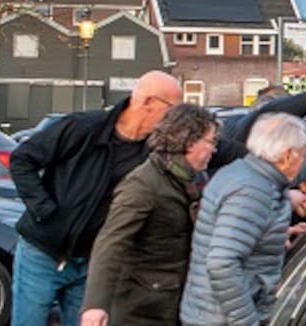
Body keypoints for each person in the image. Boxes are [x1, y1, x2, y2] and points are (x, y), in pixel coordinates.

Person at [10, 71, 183, 326]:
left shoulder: (154, 152)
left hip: (92, 264)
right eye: (173, 109)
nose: (176, 119)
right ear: (148, 102)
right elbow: (22, 159)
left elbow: (209, 147)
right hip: (43, 252)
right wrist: (44, 210)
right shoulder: (82, 128)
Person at [180, 113, 306, 325]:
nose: (303, 161)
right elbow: (222, 264)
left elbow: (300, 169)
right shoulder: (252, 192)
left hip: (209, 313)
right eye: (302, 155)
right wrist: (247, 321)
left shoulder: (246, 172)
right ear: (287, 156)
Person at [80, 104, 221, 326]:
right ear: (189, 141)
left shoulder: (191, 180)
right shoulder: (143, 185)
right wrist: (95, 305)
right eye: (211, 141)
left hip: (172, 303)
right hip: (140, 309)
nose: (214, 149)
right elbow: (111, 242)